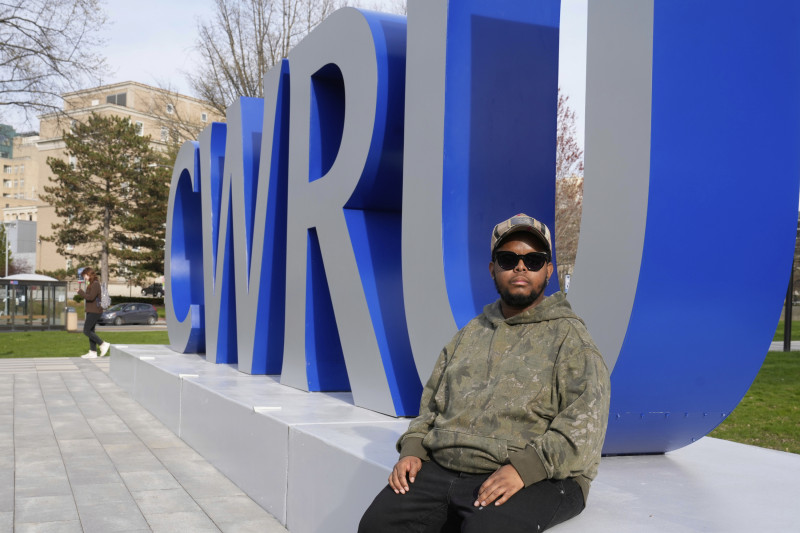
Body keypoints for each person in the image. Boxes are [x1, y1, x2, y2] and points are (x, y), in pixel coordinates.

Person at [359, 214, 610, 533]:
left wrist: (523, 469)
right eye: (508, 259)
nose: (521, 267)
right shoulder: (469, 335)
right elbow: (431, 408)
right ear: (493, 269)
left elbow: (584, 428)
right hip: (444, 468)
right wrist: (413, 450)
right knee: (377, 525)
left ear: (548, 271)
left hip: (537, 475)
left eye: (533, 260)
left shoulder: (571, 340)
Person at [77, 267, 110, 358]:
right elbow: (89, 296)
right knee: (91, 331)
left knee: (86, 330)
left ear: (89, 274)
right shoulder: (91, 284)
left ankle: (103, 344)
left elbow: (91, 297)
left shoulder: (95, 284)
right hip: (91, 310)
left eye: (85, 276)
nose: (84, 278)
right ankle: (93, 352)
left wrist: (80, 292)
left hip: (95, 311)